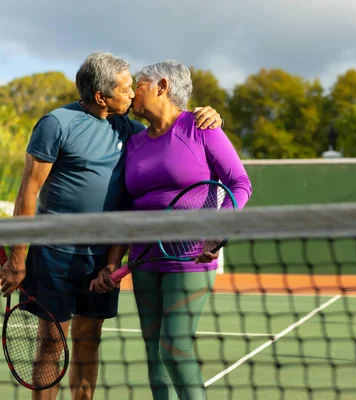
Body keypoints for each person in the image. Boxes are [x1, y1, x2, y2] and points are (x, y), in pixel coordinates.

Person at [0, 52, 223, 400]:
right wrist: (17, 258)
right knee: (50, 343)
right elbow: (28, 191)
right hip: (54, 251)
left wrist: (206, 115)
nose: (133, 94)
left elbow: (169, 125)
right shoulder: (56, 124)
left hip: (101, 256)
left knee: (89, 340)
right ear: (102, 97)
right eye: (126, 88)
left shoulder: (130, 128)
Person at [91, 60, 252, 399]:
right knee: (154, 356)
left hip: (191, 258)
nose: (133, 92)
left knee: (174, 350)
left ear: (162, 87)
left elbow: (239, 183)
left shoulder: (201, 127)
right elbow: (127, 210)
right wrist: (110, 262)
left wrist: (218, 230)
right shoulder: (134, 141)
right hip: (144, 261)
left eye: (140, 85)